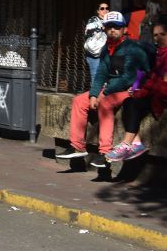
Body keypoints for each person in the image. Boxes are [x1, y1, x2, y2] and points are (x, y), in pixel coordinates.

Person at [57, 10, 150, 168]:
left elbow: (127, 77)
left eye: (117, 27)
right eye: (109, 27)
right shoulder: (106, 49)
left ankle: (105, 152)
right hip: (112, 88)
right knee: (79, 101)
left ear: (124, 29)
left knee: (105, 103)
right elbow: (101, 73)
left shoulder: (132, 48)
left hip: (129, 89)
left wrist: (104, 93)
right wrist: (94, 94)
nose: (112, 30)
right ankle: (77, 146)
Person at [106, 16, 167, 162]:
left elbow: (163, 88)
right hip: (155, 95)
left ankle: (127, 143)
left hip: (162, 97)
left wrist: (148, 83)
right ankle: (135, 143)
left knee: (133, 102)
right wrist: (139, 91)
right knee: (129, 101)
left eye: (163, 35)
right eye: (155, 35)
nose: (158, 38)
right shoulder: (156, 54)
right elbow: (152, 81)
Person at [85, 0, 110, 81]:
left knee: (106, 77)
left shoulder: (110, 20)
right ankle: (95, 93)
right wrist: (103, 28)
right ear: (98, 11)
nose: (105, 10)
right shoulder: (93, 19)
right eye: (102, 8)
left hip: (107, 52)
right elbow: (90, 31)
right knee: (96, 77)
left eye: (107, 8)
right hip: (95, 53)